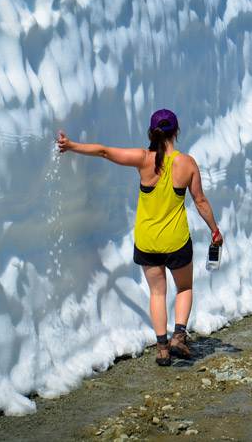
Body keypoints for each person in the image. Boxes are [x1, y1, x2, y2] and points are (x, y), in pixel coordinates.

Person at [57, 109, 223, 366]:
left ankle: (162, 349)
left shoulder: (143, 159)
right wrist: (214, 230)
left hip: (146, 241)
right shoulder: (187, 163)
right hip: (176, 240)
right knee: (185, 288)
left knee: (157, 293)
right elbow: (200, 201)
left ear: (151, 133)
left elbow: (104, 151)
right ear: (176, 132)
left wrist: (71, 146)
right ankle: (179, 337)